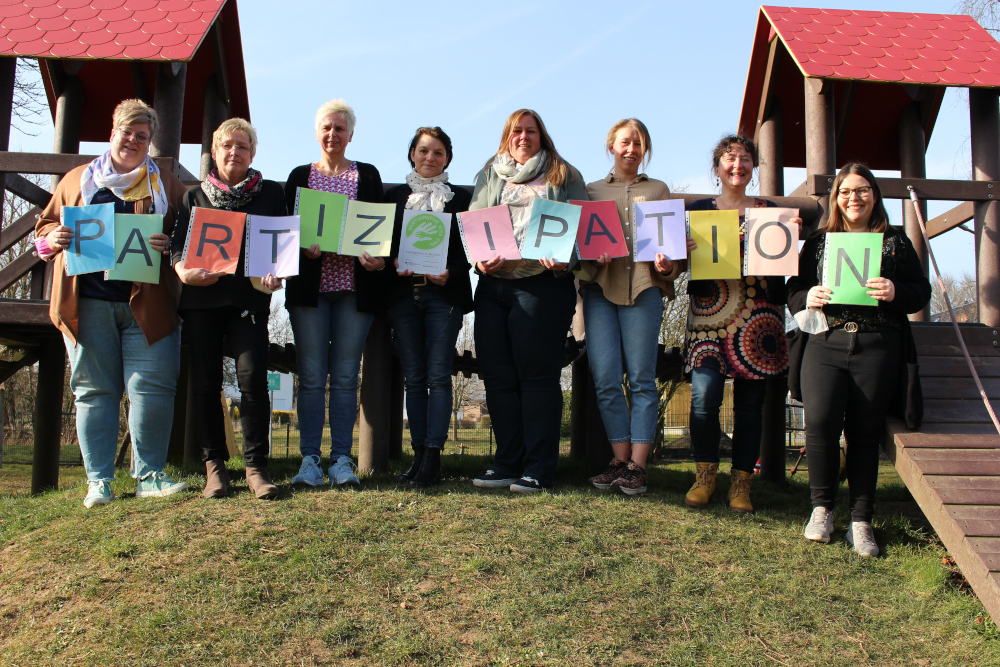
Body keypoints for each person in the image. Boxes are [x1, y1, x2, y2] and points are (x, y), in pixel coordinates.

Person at [35, 99, 189, 508]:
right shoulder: (77, 180)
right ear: (113, 132)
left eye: (143, 136)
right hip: (88, 303)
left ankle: (150, 475)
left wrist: (169, 244)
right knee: (93, 391)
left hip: (148, 304)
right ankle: (99, 481)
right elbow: (43, 232)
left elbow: (188, 237)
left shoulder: (168, 186)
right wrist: (53, 240)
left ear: (150, 142)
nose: (134, 141)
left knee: (152, 389)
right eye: (127, 132)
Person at [788, 164, 930, 557]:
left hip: (878, 344)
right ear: (836, 199)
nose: (854, 198)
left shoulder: (896, 242)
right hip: (825, 342)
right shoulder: (818, 243)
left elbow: (921, 292)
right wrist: (807, 298)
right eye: (846, 192)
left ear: (875, 194)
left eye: (862, 190)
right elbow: (794, 288)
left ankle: (861, 521)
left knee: (865, 433)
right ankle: (821, 510)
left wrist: (895, 290)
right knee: (818, 425)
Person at [470, 109, 588, 493]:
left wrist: (565, 258)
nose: (523, 137)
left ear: (542, 136)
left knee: (537, 377)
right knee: (499, 377)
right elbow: (475, 219)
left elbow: (585, 228)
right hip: (493, 286)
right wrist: (479, 258)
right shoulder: (490, 173)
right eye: (516, 131)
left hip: (543, 285)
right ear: (507, 136)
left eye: (531, 131)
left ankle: (538, 469)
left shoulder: (563, 174)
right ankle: (507, 463)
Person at [170, 118, 287, 500]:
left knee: (253, 382)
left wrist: (278, 274)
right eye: (227, 145)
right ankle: (214, 468)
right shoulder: (193, 197)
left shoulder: (271, 194)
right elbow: (175, 247)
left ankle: (256, 468)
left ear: (252, 153)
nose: (234, 152)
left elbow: (282, 246)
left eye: (243, 146)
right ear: (215, 151)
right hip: (202, 303)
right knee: (205, 385)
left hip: (249, 302)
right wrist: (182, 271)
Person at [683, 134, 800, 513]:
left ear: (754, 167)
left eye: (745, 159)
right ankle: (704, 475)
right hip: (709, 315)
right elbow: (672, 261)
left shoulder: (769, 210)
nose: (738, 166)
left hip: (759, 316)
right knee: (703, 398)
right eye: (730, 159)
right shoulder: (699, 210)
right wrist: (681, 253)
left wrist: (790, 233)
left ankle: (741, 483)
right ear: (717, 167)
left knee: (751, 407)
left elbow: (783, 259)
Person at [283, 100, 388, 488]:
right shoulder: (298, 176)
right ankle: (310, 459)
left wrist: (377, 259)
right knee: (311, 377)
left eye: (340, 129)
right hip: (310, 291)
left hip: (353, 290)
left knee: (345, 377)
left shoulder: (368, 176)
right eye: (326, 128)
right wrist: (299, 249)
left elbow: (381, 231)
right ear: (317, 133)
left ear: (351, 135)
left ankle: (342, 460)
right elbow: (284, 234)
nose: (333, 135)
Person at [582, 118, 687, 495]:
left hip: (644, 290)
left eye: (638, 144)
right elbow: (579, 250)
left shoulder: (659, 190)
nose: (631, 150)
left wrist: (668, 265)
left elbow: (675, 253)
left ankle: (637, 467)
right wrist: (595, 259)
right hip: (599, 292)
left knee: (642, 378)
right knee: (606, 379)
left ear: (645, 150)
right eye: (625, 143)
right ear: (611, 145)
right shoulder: (590, 191)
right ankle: (618, 461)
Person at [384, 127, 472, 487]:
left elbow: (473, 250)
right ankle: (418, 455)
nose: (429, 158)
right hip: (405, 296)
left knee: (438, 376)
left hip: (443, 297)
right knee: (414, 379)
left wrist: (450, 273)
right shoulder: (393, 199)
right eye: (423, 151)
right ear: (412, 155)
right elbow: (380, 243)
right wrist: (392, 262)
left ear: (447, 158)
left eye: (437, 152)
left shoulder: (461, 200)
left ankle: (433, 458)